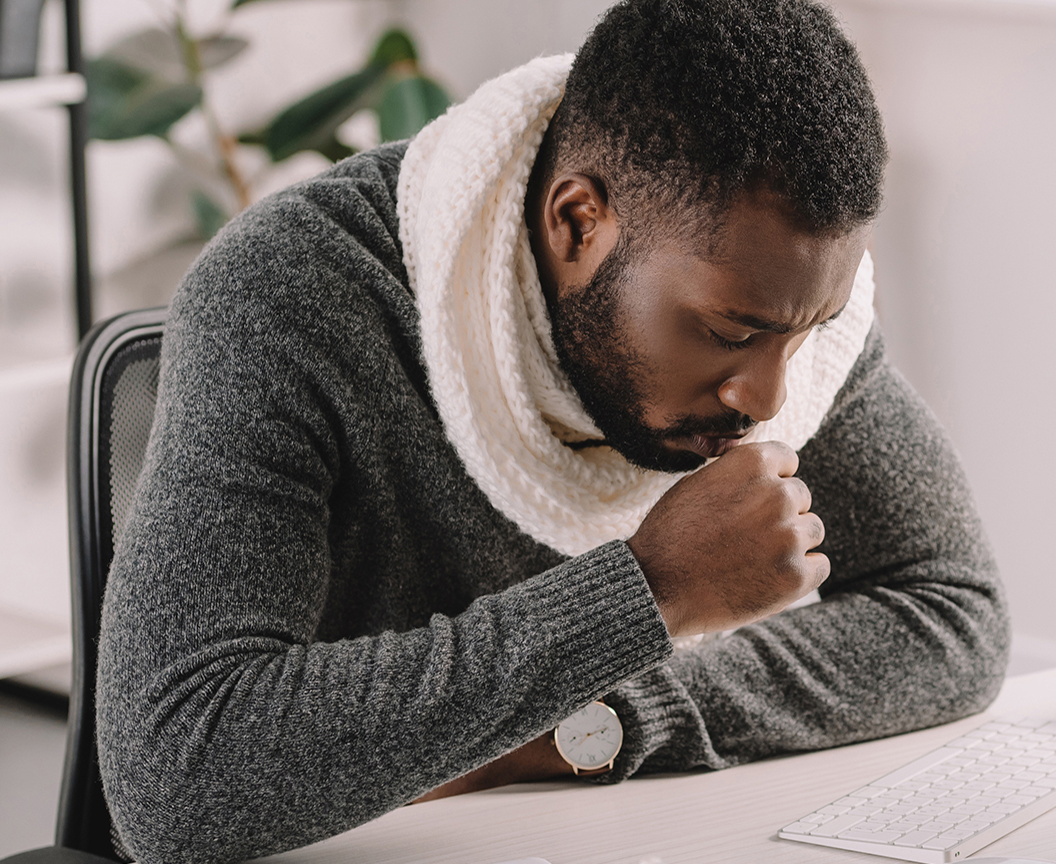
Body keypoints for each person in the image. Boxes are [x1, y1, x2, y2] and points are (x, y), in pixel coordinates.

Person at [94, 0, 1008, 860]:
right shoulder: (292, 292)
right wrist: (649, 592)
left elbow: (952, 613)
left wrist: (585, 728)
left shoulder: (781, 299)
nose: (769, 396)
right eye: (731, 333)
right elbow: (177, 773)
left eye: (807, 331)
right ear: (579, 222)